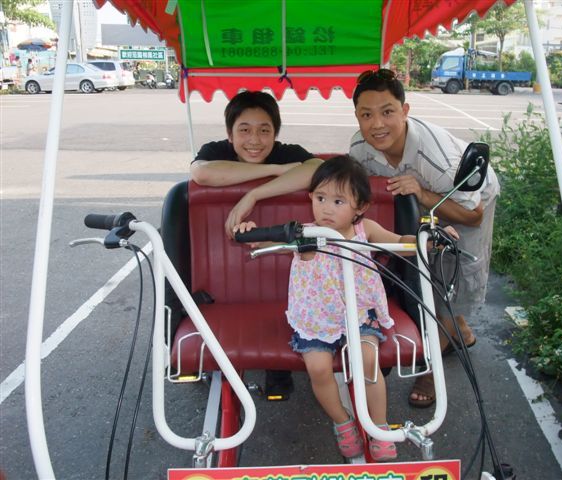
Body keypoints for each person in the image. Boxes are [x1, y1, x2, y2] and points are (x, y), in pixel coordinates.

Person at [235, 157, 456, 460]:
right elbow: (261, 244)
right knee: (317, 368)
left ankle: (379, 427)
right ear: (310, 197)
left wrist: (430, 240)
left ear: (360, 207)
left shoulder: (367, 230)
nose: (326, 208)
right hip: (316, 319)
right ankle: (343, 422)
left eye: (338, 201)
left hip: (359, 313)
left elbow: (402, 243)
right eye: (320, 198)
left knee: (367, 360)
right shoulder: (302, 234)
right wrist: (249, 231)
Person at [348, 69, 500, 408]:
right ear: (356, 116)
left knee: (454, 271)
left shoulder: (437, 158)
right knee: (420, 267)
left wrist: (423, 194)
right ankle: (459, 331)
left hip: (465, 200)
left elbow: (473, 214)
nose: (377, 124)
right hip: (417, 200)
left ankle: (431, 369)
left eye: (387, 111)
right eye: (366, 115)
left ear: (405, 111)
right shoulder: (359, 148)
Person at [190, 90, 324, 400]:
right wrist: (276, 170)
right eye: (244, 130)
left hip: (282, 262)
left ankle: (278, 367)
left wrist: (253, 195)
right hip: (227, 267)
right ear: (230, 134)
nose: (255, 140)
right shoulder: (216, 151)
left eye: (264, 130)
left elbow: (319, 168)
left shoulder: (288, 152)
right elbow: (202, 172)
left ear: (275, 134)